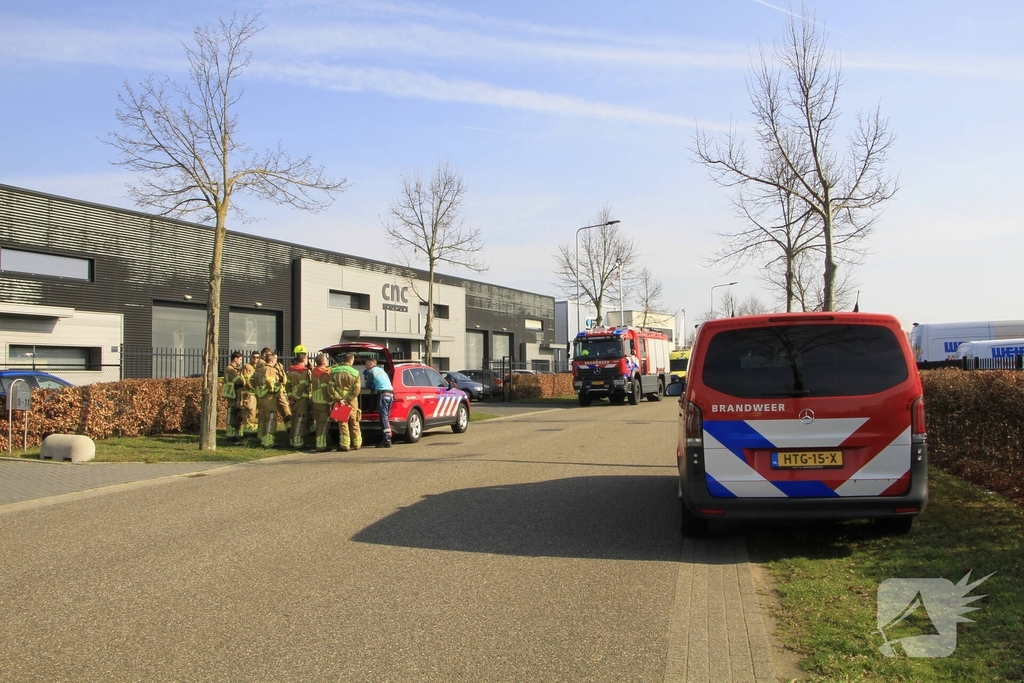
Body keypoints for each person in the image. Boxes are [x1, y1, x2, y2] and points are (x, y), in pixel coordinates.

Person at [331, 352, 362, 452]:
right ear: (351, 360)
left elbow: (330, 388)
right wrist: (348, 399)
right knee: (354, 422)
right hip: (351, 401)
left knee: (343, 422)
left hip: (340, 402)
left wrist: (340, 399)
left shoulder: (334, 371)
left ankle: (345, 445)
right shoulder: (355, 372)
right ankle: (357, 444)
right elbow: (357, 390)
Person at [310, 352, 340, 452]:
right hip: (323, 402)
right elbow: (324, 390)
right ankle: (321, 446)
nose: (327, 361)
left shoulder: (315, 370)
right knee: (324, 425)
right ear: (323, 361)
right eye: (326, 359)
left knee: (319, 424)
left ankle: (318, 444)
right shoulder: (323, 374)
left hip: (316, 401)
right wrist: (331, 403)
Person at [363, 357, 394, 448]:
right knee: (386, 417)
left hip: (383, 395)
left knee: (383, 417)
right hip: (390, 394)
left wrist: (365, 377)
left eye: (366, 364)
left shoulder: (371, 371)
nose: (365, 366)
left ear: (371, 364)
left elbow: (368, 385)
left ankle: (387, 439)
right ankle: (388, 437)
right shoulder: (382, 370)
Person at [253, 352, 282, 448]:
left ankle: (261, 438)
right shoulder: (270, 370)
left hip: (260, 397)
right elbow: (270, 382)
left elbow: (252, 381)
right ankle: (269, 441)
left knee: (262, 419)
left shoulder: (258, 370)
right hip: (269, 397)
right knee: (271, 419)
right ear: (272, 361)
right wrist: (277, 388)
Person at [286, 345, 312, 450]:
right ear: (305, 358)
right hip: (301, 399)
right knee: (301, 420)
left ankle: (292, 440)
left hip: (293, 400)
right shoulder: (304, 371)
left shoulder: (291, 370)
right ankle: (298, 441)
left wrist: (290, 397)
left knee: (294, 419)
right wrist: (296, 397)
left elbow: (287, 385)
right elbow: (302, 386)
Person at [222, 351, 246, 440]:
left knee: (238, 413)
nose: (240, 361)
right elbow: (240, 381)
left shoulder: (237, 369)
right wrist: (243, 379)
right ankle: (230, 433)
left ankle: (237, 432)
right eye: (240, 359)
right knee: (232, 413)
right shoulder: (230, 369)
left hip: (237, 394)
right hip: (232, 394)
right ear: (235, 359)